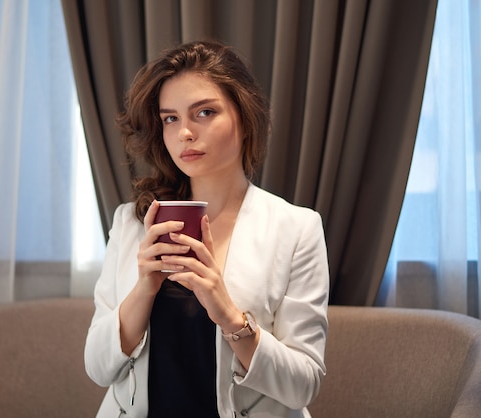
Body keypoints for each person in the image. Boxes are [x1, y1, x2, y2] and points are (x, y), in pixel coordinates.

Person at [84, 40, 329, 418]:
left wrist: (229, 315)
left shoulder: (295, 229)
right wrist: (145, 288)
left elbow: (304, 384)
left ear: (245, 119)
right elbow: (98, 368)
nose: (184, 133)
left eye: (204, 112)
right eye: (170, 118)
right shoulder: (132, 222)